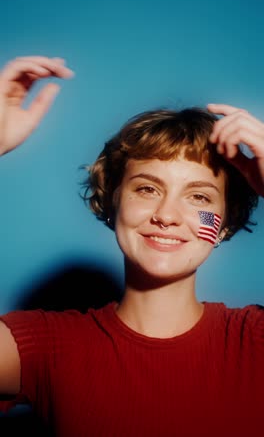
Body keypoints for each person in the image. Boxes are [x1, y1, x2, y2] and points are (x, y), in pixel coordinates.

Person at [0, 56, 263, 437]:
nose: (167, 215)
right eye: (147, 188)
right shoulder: (48, 348)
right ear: (113, 202)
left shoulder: (254, 341)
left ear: (225, 222)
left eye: (200, 197)